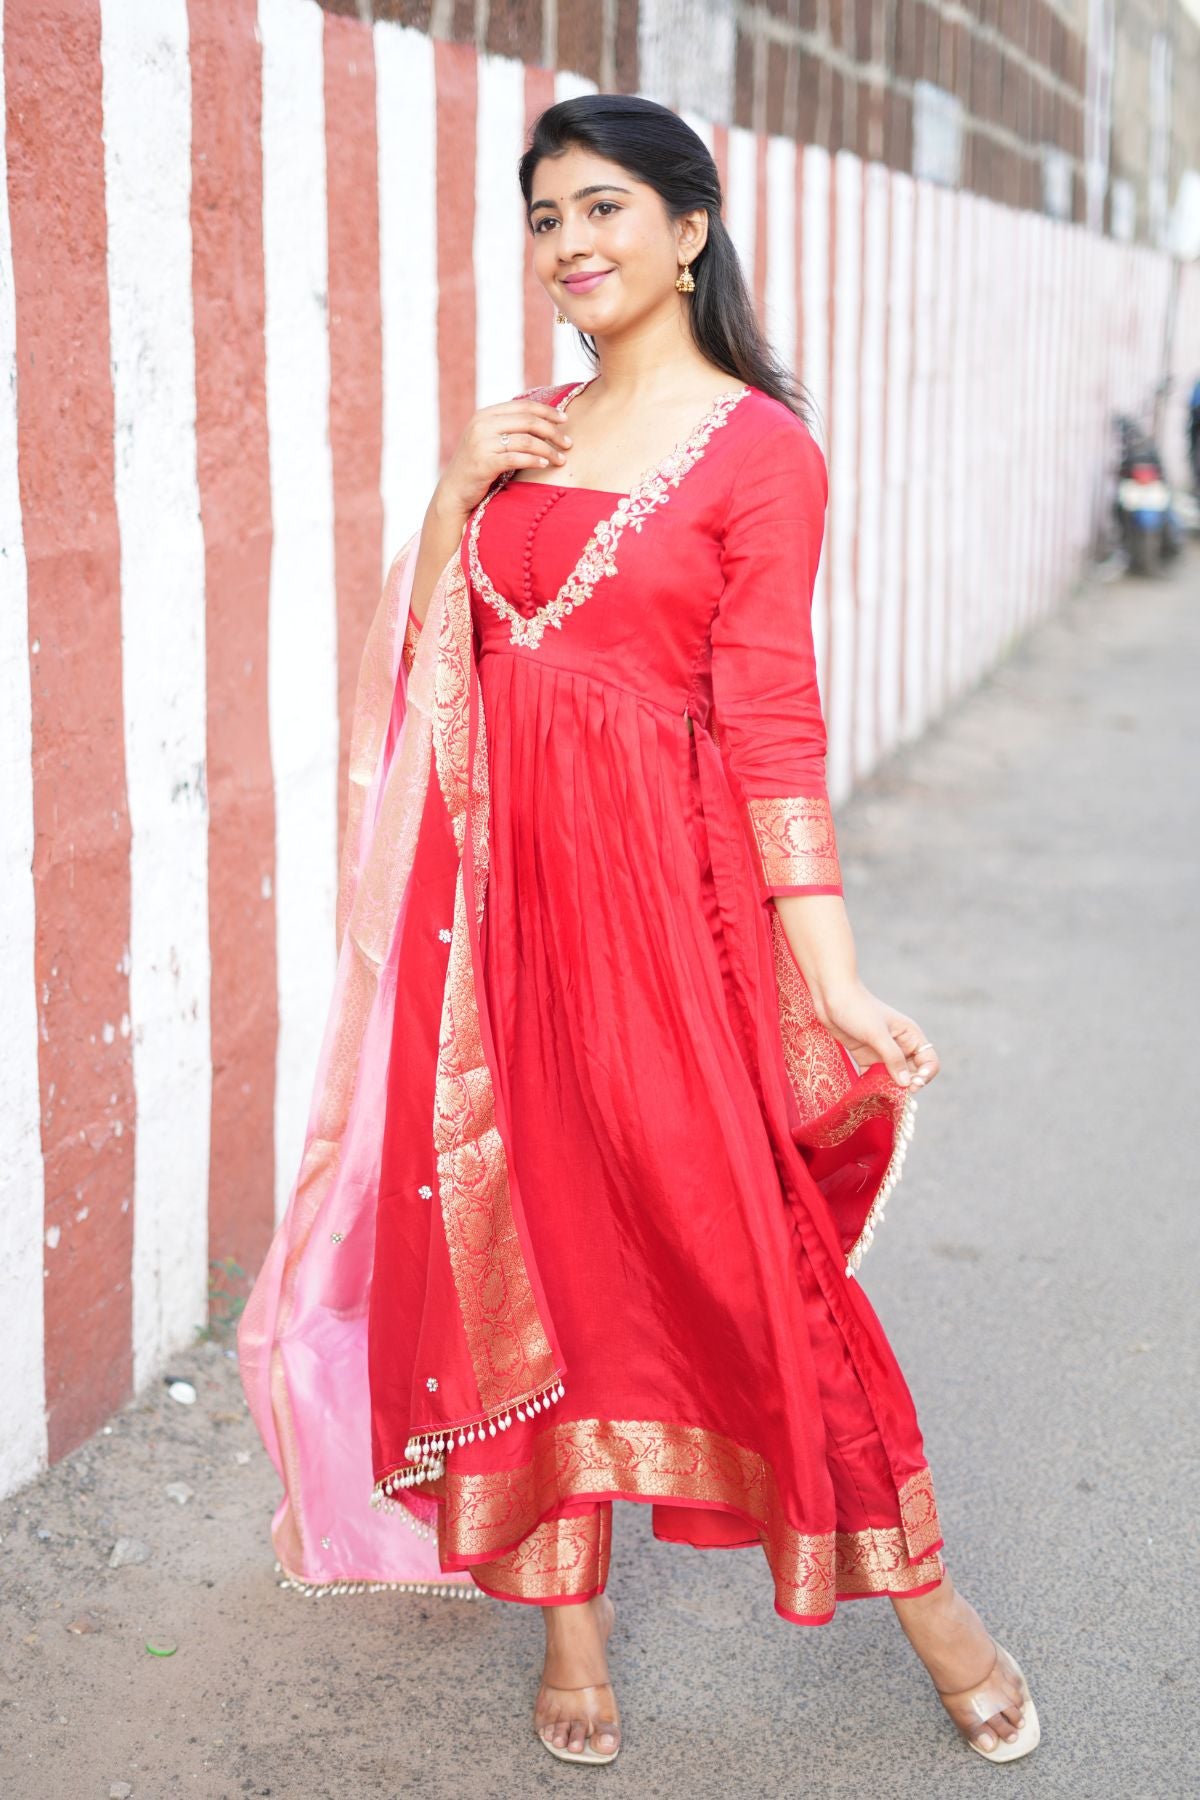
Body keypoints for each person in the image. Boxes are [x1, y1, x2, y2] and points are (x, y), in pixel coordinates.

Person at [238, 93, 1039, 1772]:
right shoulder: (523, 429)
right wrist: (456, 488)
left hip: (665, 924)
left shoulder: (762, 451)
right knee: (508, 1243)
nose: (571, 245)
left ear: (689, 229)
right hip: (492, 922)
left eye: (603, 208)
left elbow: (768, 717)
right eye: (543, 219)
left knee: (744, 1255)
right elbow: (426, 673)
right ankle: (571, 1625)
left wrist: (831, 974)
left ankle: (931, 1599)